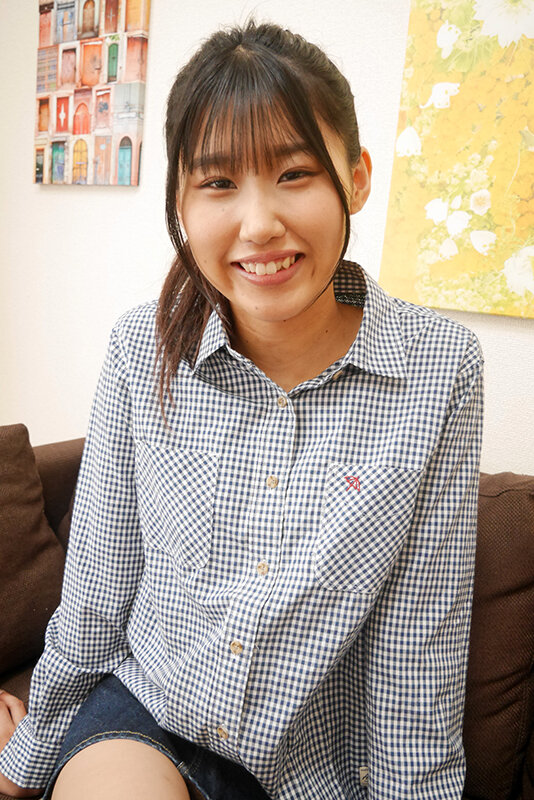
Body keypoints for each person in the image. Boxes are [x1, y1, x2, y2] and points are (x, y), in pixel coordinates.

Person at [0, 20, 483, 800]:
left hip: (306, 768)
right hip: (146, 714)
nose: (259, 225)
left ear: (357, 178)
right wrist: (24, 763)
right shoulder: (141, 348)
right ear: (182, 201)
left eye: (294, 173)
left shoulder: (440, 369)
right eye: (218, 183)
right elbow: (97, 591)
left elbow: (416, 651)